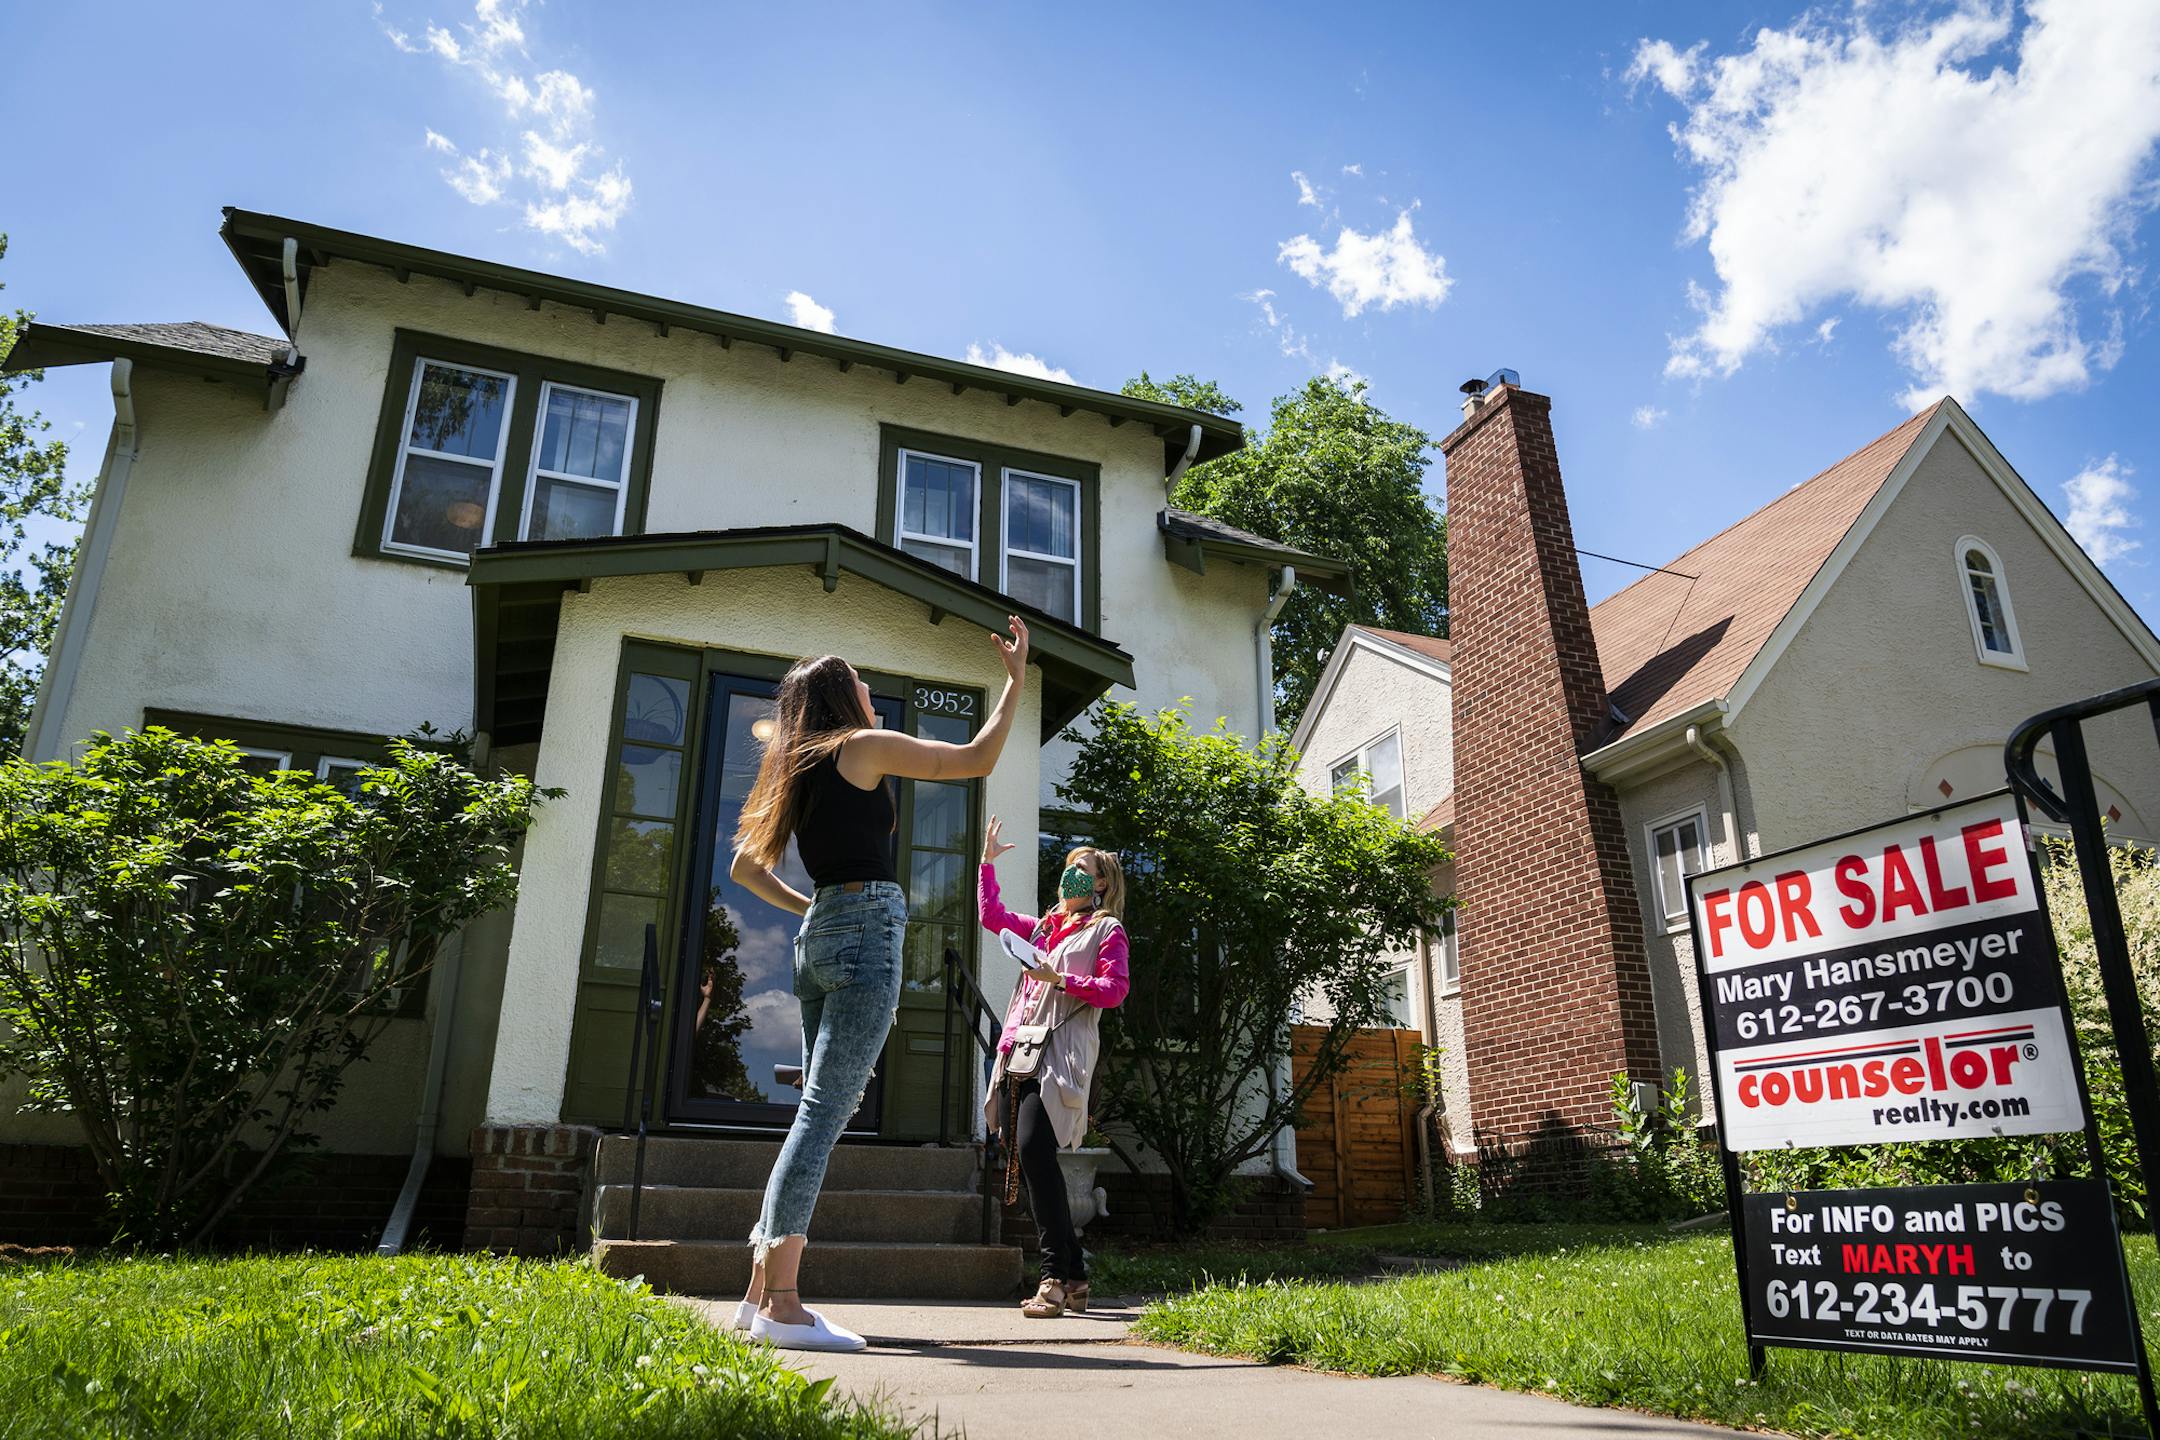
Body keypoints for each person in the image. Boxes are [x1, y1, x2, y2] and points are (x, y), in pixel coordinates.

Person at [728, 615, 1030, 1352]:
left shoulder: (793, 769)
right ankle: (786, 1308)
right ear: (841, 697)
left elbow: (743, 869)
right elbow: (977, 758)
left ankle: (758, 1297)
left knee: (815, 1112)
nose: (869, 687)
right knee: (824, 1114)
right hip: (862, 930)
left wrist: (819, 909)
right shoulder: (859, 746)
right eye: (859, 679)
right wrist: (1016, 682)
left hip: (821, 938)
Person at [978, 818, 1129, 1318]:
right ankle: (1077, 1276)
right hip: (1020, 1047)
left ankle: (1053, 1278)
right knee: (1028, 1155)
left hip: (1060, 1052)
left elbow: (1115, 990)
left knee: (1033, 1149)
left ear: (1102, 883)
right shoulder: (1044, 926)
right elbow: (992, 917)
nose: (1072, 876)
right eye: (1068, 868)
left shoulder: (1107, 930)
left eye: (1082, 870)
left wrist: (1058, 978)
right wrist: (987, 863)